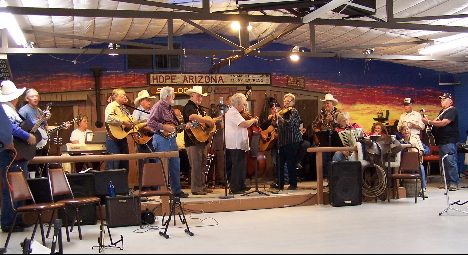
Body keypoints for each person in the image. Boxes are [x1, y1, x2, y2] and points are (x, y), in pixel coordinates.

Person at [0, 80, 36, 233]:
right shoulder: (6, 110)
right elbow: (12, 128)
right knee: (12, 187)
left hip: (13, 153)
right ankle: (9, 221)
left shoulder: (9, 110)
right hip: (9, 153)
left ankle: (16, 219)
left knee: (16, 187)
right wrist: (27, 136)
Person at [147, 86, 189, 198]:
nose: (174, 96)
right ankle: (162, 192)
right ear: (167, 96)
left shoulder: (170, 108)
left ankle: (176, 191)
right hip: (161, 139)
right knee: (163, 167)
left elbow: (174, 127)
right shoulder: (158, 106)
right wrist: (164, 127)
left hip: (171, 140)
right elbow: (150, 122)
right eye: (173, 94)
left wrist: (184, 126)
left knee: (175, 165)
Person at [18, 88, 70, 177]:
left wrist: (61, 126)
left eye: (37, 96)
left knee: (44, 166)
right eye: (32, 96)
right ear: (27, 99)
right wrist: (41, 119)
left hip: (42, 143)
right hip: (31, 144)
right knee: (33, 168)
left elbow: (46, 128)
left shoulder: (39, 110)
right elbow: (22, 127)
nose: (35, 98)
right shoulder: (24, 111)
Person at [422, 93, 460, 191]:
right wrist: (429, 122)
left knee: (451, 162)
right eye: (441, 100)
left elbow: (444, 123)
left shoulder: (452, 110)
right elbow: (437, 121)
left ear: (450, 101)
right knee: (443, 162)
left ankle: (453, 183)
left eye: (444, 99)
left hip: (449, 141)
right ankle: (446, 182)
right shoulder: (442, 112)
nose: (442, 101)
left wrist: (429, 122)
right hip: (441, 141)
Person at [183, 86, 216, 196]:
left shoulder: (200, 109)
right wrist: (206, 120)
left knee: (202, 165)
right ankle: (196, 188)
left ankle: (202, 186)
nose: (200, 98)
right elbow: (191, 117)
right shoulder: (189, 107)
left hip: (202, 140)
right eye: (198, 95)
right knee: (196, 165)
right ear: (192, 95)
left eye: (201, 96)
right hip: (193, 141)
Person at [225, 93, 258, 194]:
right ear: (238, 104)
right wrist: (253, 120)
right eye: (243, 104)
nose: (244, 106)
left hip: (239, 143)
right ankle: (234, 188)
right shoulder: (232, 113)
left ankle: (241, 185)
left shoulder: (236, 113)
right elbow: (244, 124)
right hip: (235, 144)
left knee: (242, 165)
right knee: (237, 166)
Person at [311, 93, 341, 182]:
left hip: (334, 137)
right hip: (323, 136)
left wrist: (332, 120)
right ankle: (325, 176)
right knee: (324, 157)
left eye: (328, 103)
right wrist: (316, 129)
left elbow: (339, 126)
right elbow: (313, 124)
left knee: (334, 157)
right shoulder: (321, 114)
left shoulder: (338, 114)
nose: (326, 105)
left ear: (332, 104)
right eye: (325, 103)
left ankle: (333, 176)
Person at [276, 93, 303, 190]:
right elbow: (277, 125)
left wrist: (281, 119)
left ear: (293, 102)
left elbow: (290, 123)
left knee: (291, 162)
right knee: (280, 163)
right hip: (282, 140)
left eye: (288, 101)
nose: (286, 102)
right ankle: (280, 183)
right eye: (285, 101)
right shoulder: (282, 111)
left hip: (292, 140)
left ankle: (293, 184)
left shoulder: (293, 111)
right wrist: (273, 119)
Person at [104, 88, 132, 171]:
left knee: (124, 164)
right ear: (115, 96)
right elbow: (108, 118)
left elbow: (128, 122)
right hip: (112, 138)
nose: (125, 97)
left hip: (122, 137)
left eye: (125, 95)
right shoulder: (111, 106)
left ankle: (123, 183)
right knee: (114, 164)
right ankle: (113, 183)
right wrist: (123, 122)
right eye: (122, 95)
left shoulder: (124, 109)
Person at [132, 89, 157, 175]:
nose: (149, 102)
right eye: (147, 100)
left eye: (150, 100)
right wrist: (146, 128)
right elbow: (134, 124)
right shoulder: (137, 111)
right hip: (143, 139)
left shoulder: (151, 112)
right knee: (144, 162)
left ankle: (154, 185)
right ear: (141, 101)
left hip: (152, 138)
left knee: (154, 162)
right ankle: (145, 187)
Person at [398, 125, 428, 198]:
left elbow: (427, 149)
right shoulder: (400, 142)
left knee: (421, 168)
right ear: (402, 132)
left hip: (416, 162)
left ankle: (423, 189)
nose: (406, 131)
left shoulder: (416, 140)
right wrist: (409, 146)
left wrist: (422, 152)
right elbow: (400, 152)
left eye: (407, 129)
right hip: (406, 163)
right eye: (404, 130)